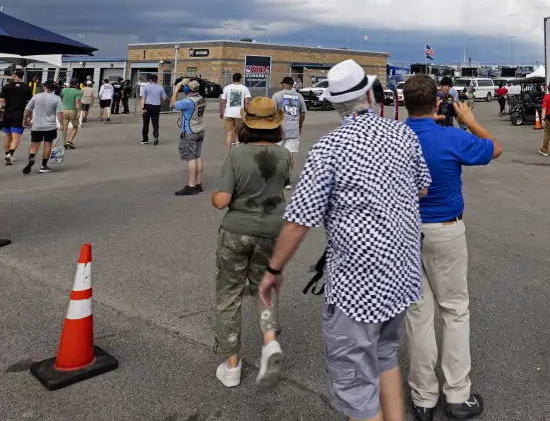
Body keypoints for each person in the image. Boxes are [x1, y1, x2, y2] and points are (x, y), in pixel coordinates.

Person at [258, 59, 431, 421]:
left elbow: (299, 220)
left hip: (357, 285)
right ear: (369, 94)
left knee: (356, 389)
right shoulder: (403, 134)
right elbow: (422, 187)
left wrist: (274, 268)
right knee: (385, 358)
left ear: (336, 103)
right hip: (402, 275)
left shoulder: (329, 148)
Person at [402, 74, 500, 419]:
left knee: (418, 316)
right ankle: (457, 394)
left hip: (404, 232)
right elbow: (494, 149)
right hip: (445, 230)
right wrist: (471, 121)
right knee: (455, 310)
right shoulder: (452, 137)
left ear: (403, 103)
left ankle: (423, 397)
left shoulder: (395, 139)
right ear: (436, 104)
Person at [212, 96, 292, 389]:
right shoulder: (284, 155)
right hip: (272, 231)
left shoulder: (236, 154)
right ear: (275, 125)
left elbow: (221, 200)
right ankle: (269, 341)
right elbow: (281, 185)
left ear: (247, 122)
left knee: (229, 293)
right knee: (265, 289)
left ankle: (231, 365)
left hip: (236, 230)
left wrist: (216, 195)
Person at [172, 79, 207, 196]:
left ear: (187, 89)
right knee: (198, 156)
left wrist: (176, 89)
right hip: (200, 129)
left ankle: (191, 186)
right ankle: (198, 184)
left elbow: (172, 105)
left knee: (190, 158)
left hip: (189, 131)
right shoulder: (201, 98)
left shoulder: (187, 101)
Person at [271, 76, 307, 190]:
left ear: (283, 84)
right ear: (292, 85)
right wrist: (300, 126)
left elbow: (272, 112)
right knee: (289, 154)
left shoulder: (277, 95)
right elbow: (302, 113)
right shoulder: (299, 96)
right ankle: (287, 181)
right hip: (293, 129)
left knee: (277, 154)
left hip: (279, 129)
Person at [22, 80, 64, 174]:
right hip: (50, 126)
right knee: (47, 145)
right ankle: (43, 166)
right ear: (54, 89)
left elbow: (27, 110)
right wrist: (61, 124)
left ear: (44, 87)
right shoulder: (57, 98)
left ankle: (31, 157)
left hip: (36, 125)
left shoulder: (36, 96)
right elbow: (59, 113)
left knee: (34, 144)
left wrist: (25, 119)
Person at [0, 69, 32, 166]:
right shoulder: (27, 88)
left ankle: (7, 154)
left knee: (7, 135)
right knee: (16, 137)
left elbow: (1, 101)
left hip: (7, 114)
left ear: (15, 75)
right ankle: (10, 154)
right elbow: (29, 104)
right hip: (19, 115)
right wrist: (29, 117)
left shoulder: (6, 87)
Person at [219, 72, 251, 153]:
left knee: (229, 134)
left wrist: (221, 112)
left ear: (232, 78)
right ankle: (238, 152)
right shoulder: (244, 88)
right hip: (239, 114)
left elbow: (222, 102)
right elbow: (246, 102)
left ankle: (229, 154)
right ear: (240, 79)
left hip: (228, 113)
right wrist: (247, 113)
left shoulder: (227, 88)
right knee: (237, 135)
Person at [140, 74, 167, 145]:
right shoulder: (160, 87)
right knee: (155, 123)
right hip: (156, 106)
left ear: (150, 80)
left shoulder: (145, 87)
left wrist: (142, 108)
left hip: (147, 106)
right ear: (156, 80)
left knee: (145, 123)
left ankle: (145, 139)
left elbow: (143, 98)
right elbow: (164, 98)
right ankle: (156, 137)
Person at [59, 79, 82, 149]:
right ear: (77, 84)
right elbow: (77, 102)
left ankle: (64, 142)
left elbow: (60, 98)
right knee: (75, 127)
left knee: (64, 128)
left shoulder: (64, 90)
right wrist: (79, 112)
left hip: (64, 110)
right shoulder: (78, 91)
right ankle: (70, 141)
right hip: (73, 111)